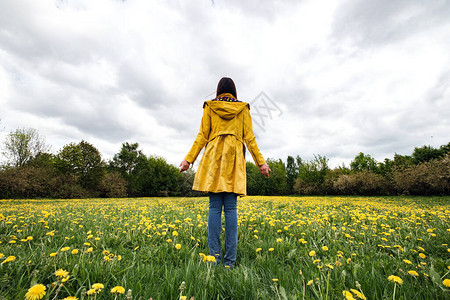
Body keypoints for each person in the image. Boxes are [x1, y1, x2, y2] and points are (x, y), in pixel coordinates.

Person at [179, 77, 270, 267]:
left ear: (218, 90)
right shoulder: (243, 108)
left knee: (214, 207)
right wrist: (261, 162)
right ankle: (230, 261)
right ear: (233, 91)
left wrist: (189, 159)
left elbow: (202, 135)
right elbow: (250, 138)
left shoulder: (210, 107)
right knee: (230, 208)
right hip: (233, 158)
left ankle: (214, 259)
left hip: (213, 156)